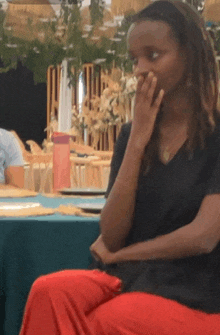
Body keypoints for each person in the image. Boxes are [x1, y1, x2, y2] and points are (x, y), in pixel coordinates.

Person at [19, 1, 220, 334]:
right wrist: (138, 141)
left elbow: (203, 237)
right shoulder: (132, 133)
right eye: (134, 59)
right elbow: (111, 233)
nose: (140, 68)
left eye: (153, 55)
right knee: (48, 292)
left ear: (189, 55)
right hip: (130, 276)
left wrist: (123, 255)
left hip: (197, 286)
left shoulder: (216, 136)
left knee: (110, 320)